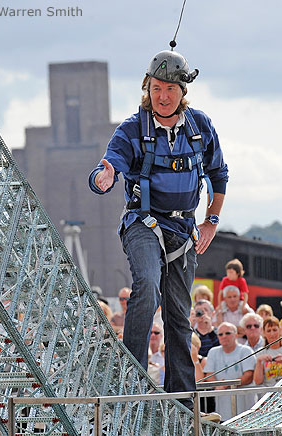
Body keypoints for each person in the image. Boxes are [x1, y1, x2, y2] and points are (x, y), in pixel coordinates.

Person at [89, 48, 229, 410]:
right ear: (146, 89)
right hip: (143, 222)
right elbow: (111, 161)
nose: (162, 96)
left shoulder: (200, 127)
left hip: (183, 230)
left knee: (179, 316)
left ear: (183, 91)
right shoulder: (133, 128)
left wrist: (211, 221)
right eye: (155, 89)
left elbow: (218, 174)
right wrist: (104, 176)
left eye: (169, 89)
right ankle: (131, 385)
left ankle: (182, 401)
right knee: (148, 286)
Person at [204, 322, 255, 421]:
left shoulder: (246, 351)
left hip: (245, 407)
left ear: (236, 335)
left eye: (228, 333)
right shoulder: (213, 352)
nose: (224, 336)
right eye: (220, 334)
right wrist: (217, 385)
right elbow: (209, 375)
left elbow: (249, 376)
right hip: (221, 408)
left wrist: (228, 384)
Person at [254, 316, 282, 389]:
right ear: (264, 333)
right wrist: (259, 361)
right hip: (269, 394)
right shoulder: (261, 352)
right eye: (269, 331)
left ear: (280, 330)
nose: (272, 334)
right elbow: (258, 381)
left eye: (275, 330)